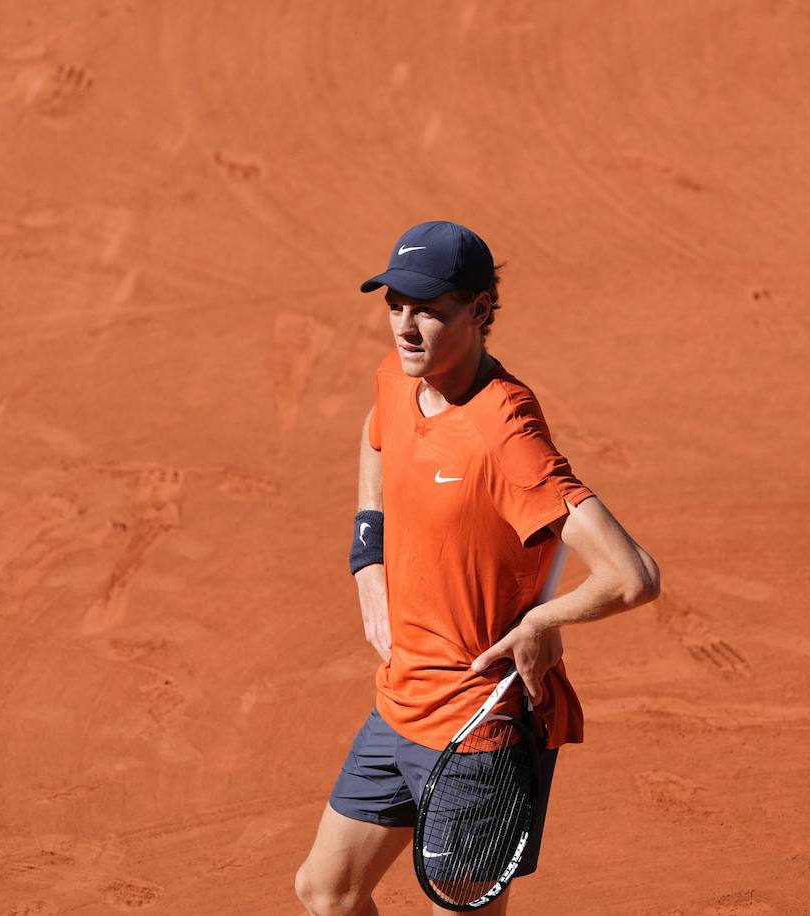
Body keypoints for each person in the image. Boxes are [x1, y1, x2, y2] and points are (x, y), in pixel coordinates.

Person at [295, 220, 661, 916]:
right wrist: (366, 560)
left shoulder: (506, 433)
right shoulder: (399, 378)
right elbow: (377, 436)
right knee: (326, 892)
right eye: (396, 304)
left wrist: (547, 619)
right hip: (401, 702)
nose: (407, 326)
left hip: (475, 730)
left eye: (430, 311)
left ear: (481, 311)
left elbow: (632, 573)